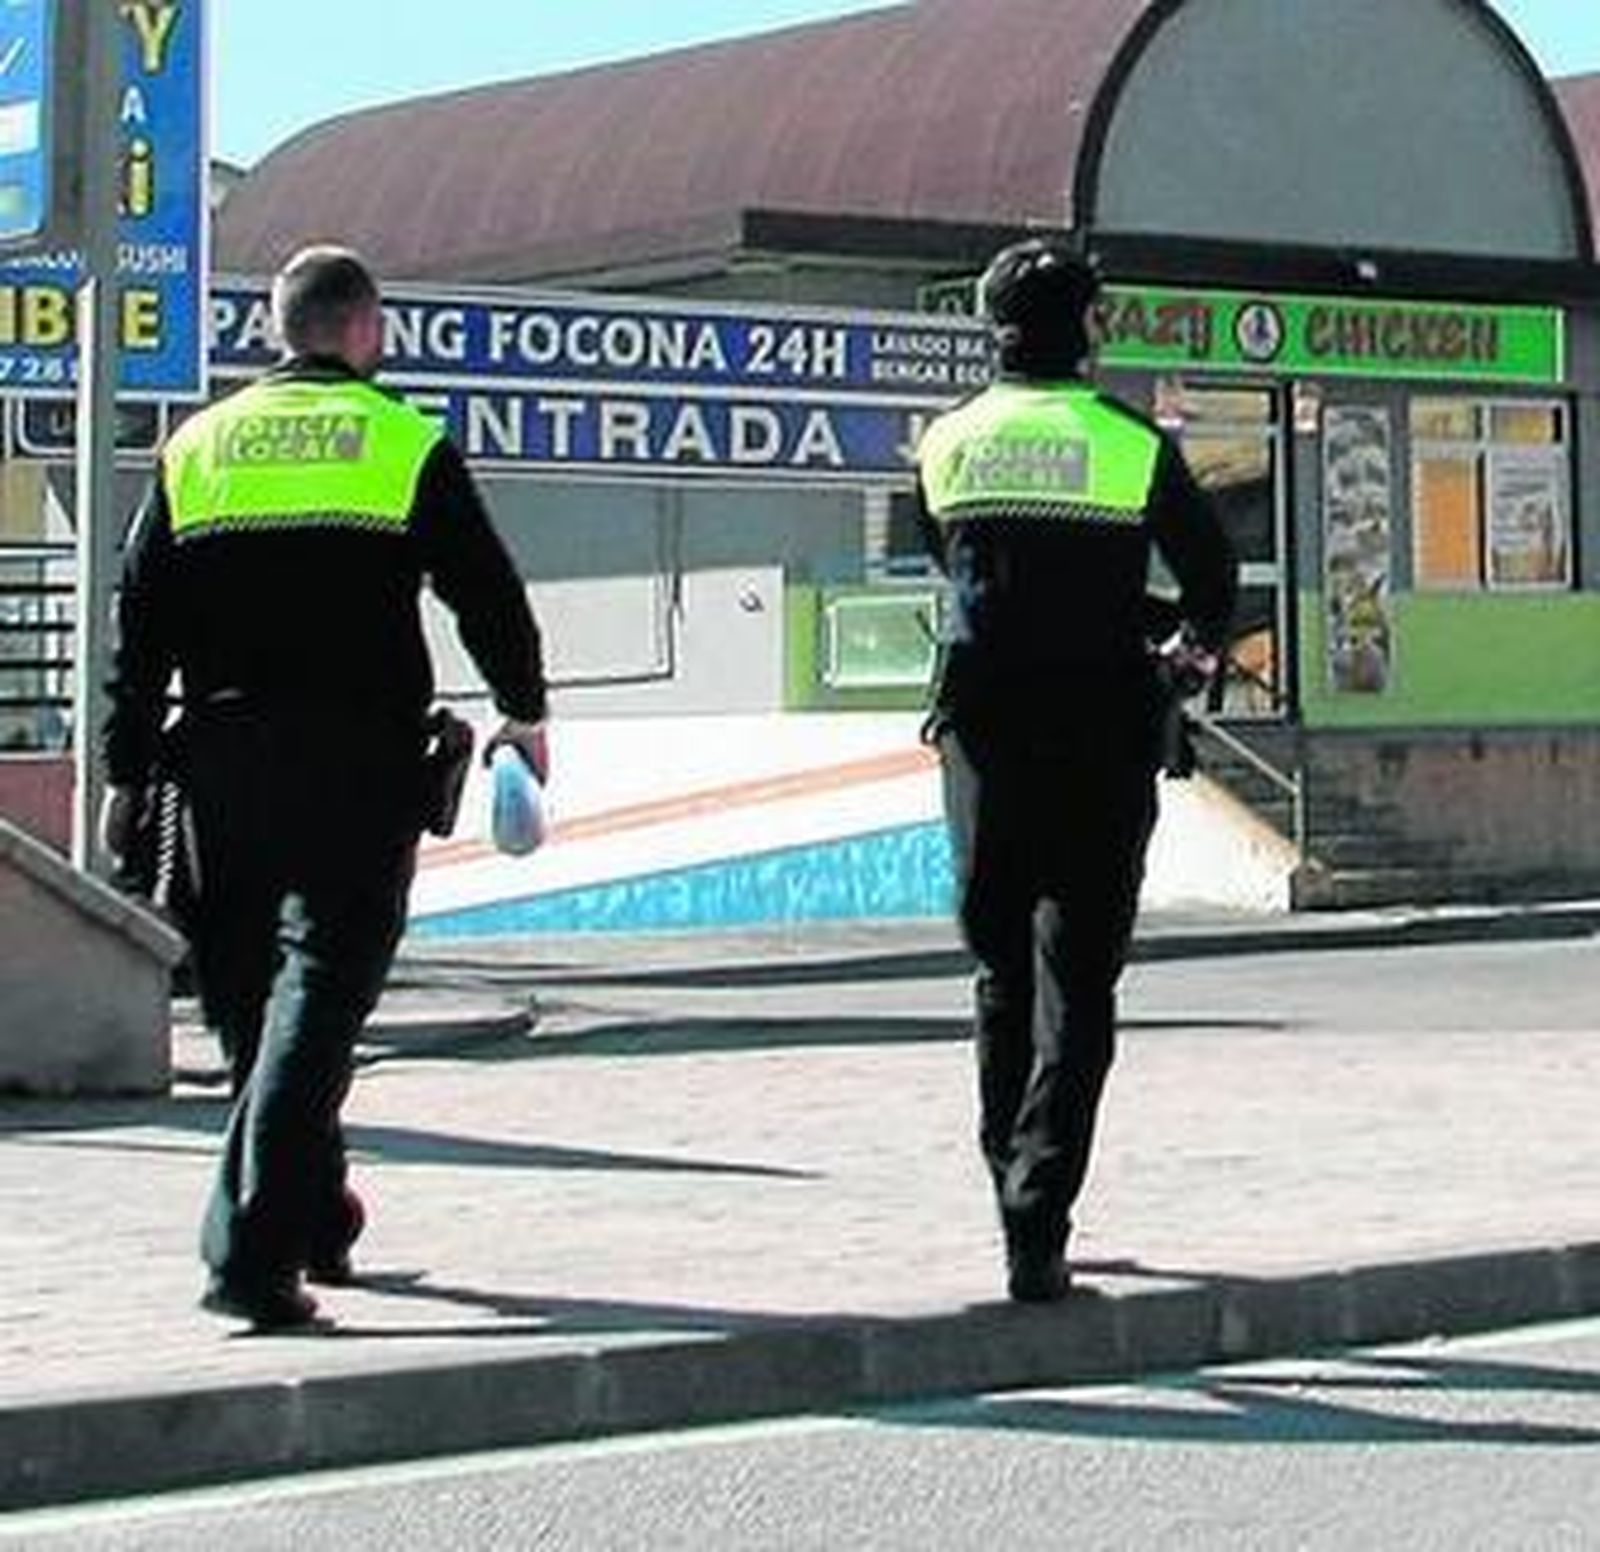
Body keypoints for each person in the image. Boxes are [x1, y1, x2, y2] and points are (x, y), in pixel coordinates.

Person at [101, 246, 549, 1330]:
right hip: (358, 763)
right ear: (365, 328)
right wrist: (523, 713)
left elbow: (138, 623)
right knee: (318, 1000)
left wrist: (125, 769)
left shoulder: (197, 446)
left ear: (278, 329)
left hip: (219, 764)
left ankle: (316, 1218)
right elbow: (486, 591)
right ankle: (250, 1258)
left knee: (255, 1011)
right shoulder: (401, 440)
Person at [916, 237, 1235, 1303]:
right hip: (1101, 730)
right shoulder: (1128, 441)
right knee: (1079, 979)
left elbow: (955, 562)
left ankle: (1009, 1179)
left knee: (1001, 972)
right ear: (1087, 327)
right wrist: (1184, 649)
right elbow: (1212, 576)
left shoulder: (946, 440)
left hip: (982, 731)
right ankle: (1037, 1218)